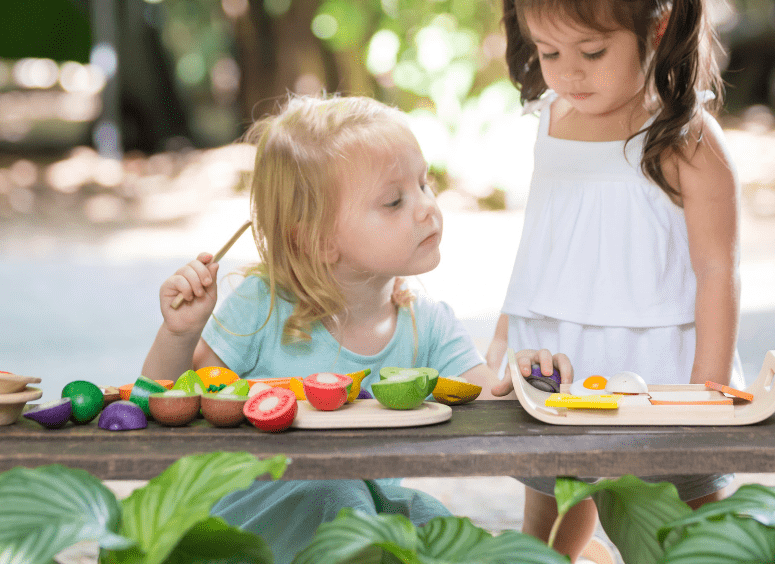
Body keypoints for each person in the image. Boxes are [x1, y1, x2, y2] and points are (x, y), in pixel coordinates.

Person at [142, 93, 529, 564]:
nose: (427, 207)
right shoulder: (261, 307)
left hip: (362, 511)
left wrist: (531, 375)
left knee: (434, 523)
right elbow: (169, 399)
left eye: (425, 184)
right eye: (394, 200)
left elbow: (490, 400)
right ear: (318, 240)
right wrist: (180, 334)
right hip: (248, 523)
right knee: (339, 498)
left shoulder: (424, 320)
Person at [485, 0, 743, 562]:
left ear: (655, 27)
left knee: (691, 524)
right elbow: (545, 238)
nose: (568, 72)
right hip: (560, 354)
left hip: (660, 362)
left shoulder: (684, 136)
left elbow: (718, 269)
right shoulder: (551, 121)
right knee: (548, 514)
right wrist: (506, 334)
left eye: (593, 51)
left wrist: (708, 390)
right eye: (549, 52)